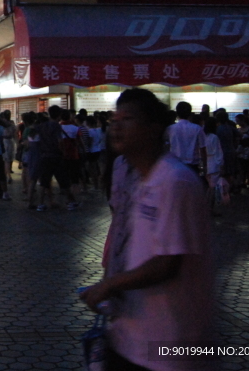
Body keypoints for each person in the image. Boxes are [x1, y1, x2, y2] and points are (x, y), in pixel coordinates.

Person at [80, 88, 214, 370]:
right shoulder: (132, 176)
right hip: (126, 334)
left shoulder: (175, 182)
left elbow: (167, 263)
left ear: (153, 129)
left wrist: (109, 285)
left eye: (127, 119)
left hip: (168, 344)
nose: (116, 125)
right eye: (114, 119)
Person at [166, 102, 206, 180]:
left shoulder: (170, 129)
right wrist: (204, 165)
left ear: (177, 113)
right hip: (193, 166)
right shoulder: (197, 128)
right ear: (190, 113)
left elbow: (167, 147)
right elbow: (202, 149)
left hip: (175, 165)